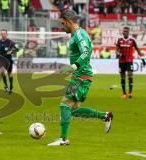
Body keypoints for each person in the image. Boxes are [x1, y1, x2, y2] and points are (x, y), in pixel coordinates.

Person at [47, 10, 113, 146]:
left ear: (69, 21)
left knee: (65, 104)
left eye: (63, 23)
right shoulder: (76, 34)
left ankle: (63, 139)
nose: (61, 26)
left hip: (81, 76)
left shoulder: (79, 34)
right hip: (80, 75)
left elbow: (86, 51)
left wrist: (75, 66)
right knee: (74, 110)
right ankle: (104, 116)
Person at [116, 26, 146, 99]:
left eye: (127, 31)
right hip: (121, 61)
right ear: (122, 32)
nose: (125, 32)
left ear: (129, 32)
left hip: (129, 61)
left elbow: (137, 49)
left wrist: (142, 58)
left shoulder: (132, 40)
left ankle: (130, 93)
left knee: (130, 75)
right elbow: (116, 50)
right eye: (124, 31)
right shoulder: (119, 40)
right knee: (122, 77)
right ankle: (124, 93)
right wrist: (119, 54)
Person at [0, 29, 19, 94]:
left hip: (9, 60)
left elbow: (17, 49)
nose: (3, 35)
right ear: (0, 34)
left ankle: (11, 86)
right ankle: (6, 86)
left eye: (4, 34)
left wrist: (12, 51)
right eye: (2, 34)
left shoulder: (10, 42)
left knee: (9, 74)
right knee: (2, 72)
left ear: (6, 34)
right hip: (1, 59)